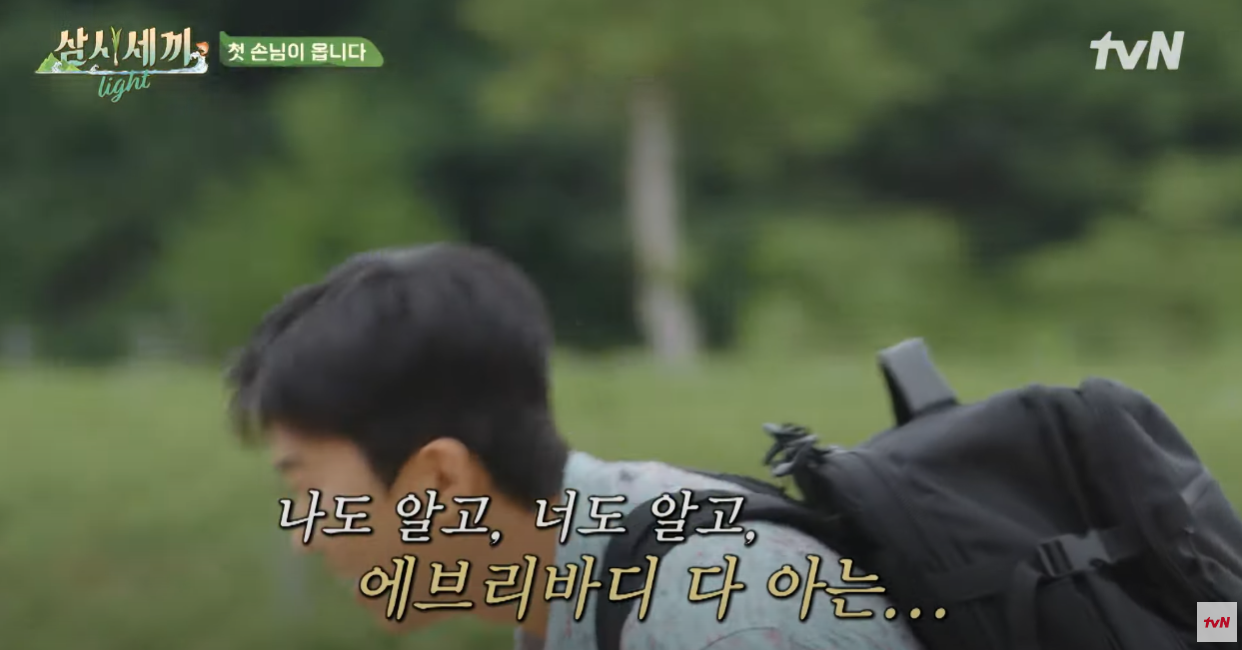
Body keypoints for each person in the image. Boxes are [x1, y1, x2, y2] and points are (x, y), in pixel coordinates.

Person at [227, 243, 924, 650]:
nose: (304, 538)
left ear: (440, 480)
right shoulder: (587, 592)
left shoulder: (719, 615)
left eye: (308, 489)